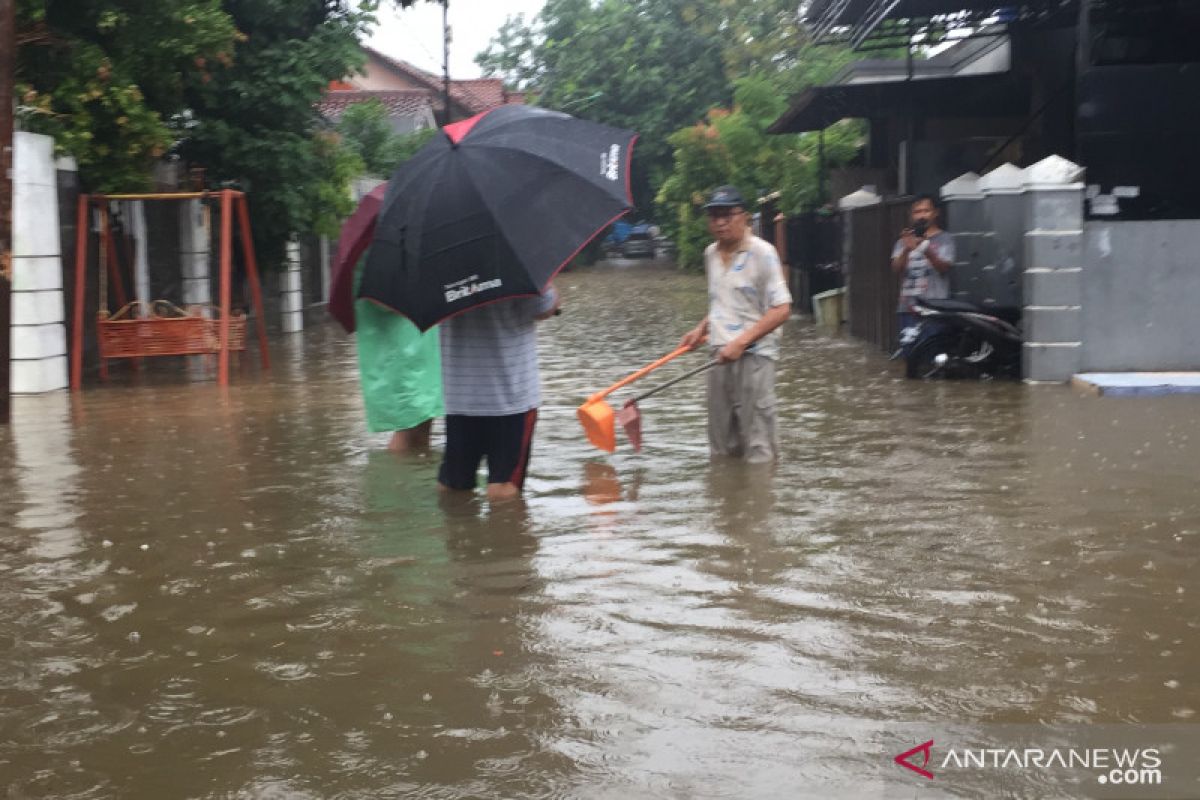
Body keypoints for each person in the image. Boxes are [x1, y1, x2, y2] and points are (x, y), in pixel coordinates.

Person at [679, 186, 792, 464]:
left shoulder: (762, 253)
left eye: (727, 215)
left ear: (745, 217)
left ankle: (758, 499)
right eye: (714, 216)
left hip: (755, 355)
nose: (720, 222)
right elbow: (724, 301)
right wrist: (700, 329)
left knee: (758, 441)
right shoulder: (710, 254)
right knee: (720, 441)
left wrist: (741, 342)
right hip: (718, 354)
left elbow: (782, 309)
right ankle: (725, 498)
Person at [437, 285, 561, 500]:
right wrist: (550, 285)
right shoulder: (514, 264)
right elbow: (545, 307)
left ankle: (456, 532)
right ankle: (504, 532)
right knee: (503, 487)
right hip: (511, 398)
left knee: (454, 486)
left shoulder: (439, 272)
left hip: (460, 397)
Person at [353, 271, 442, 452]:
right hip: (400, 353)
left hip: (421, 348)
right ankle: (401, 478)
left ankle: (416, 475)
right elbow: (378, 297)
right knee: (409, 426)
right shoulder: (376, 254)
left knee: (423, 422)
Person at [890, 194, 955, 334]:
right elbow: (896, 268)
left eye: (926, 211)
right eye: (917, 212)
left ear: (935, 213)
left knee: (934, 351)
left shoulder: (945, 239)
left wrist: (925, 248)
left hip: (935, 307)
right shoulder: (903, 241)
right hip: (908, 308)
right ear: (912, 215)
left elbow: (944, 268)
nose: (921, 216)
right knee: (910, 352)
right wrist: (907, 248)